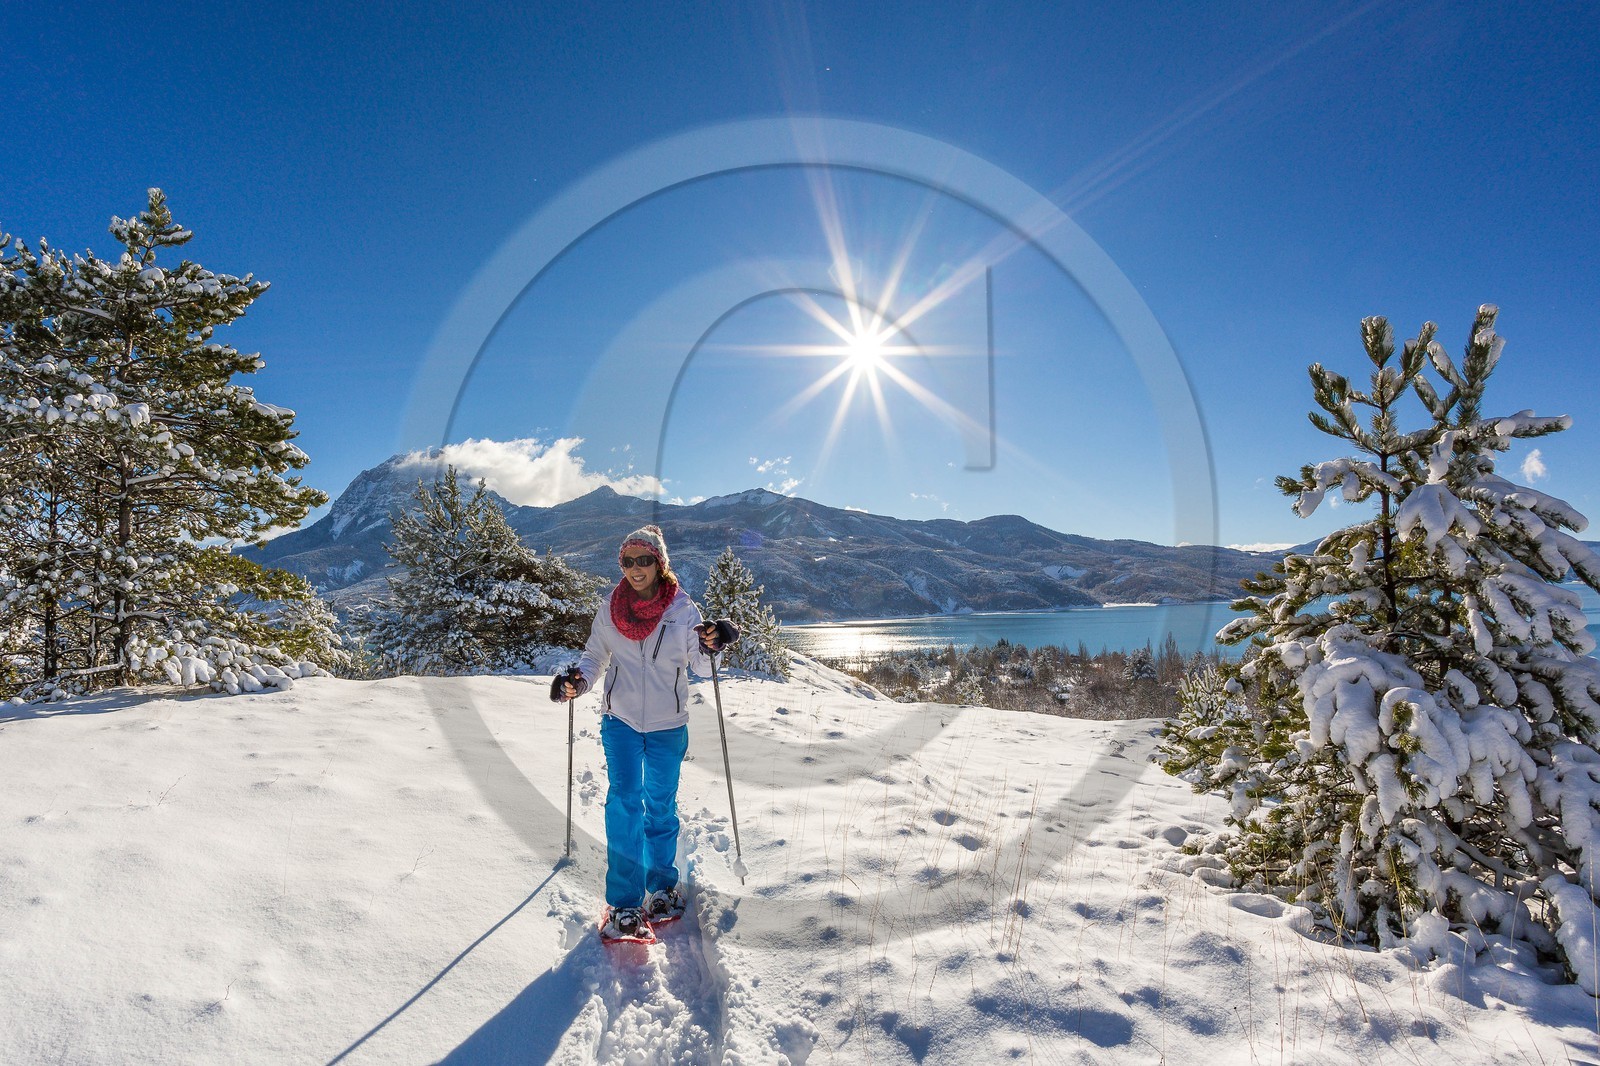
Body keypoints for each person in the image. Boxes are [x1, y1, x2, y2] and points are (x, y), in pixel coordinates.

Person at [550, 525, 738, 941]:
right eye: (628, 561)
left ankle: (662, 888)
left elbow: (703, 668)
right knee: (623, 803)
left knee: (660, 806)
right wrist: (575, 683)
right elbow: (594, 658)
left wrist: (715, 645)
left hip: (669, 724)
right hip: (620, 721)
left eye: (644, 560)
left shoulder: (683, 611)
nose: (636, 568)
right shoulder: (610, 608)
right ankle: (624, 903)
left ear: (659, 563)